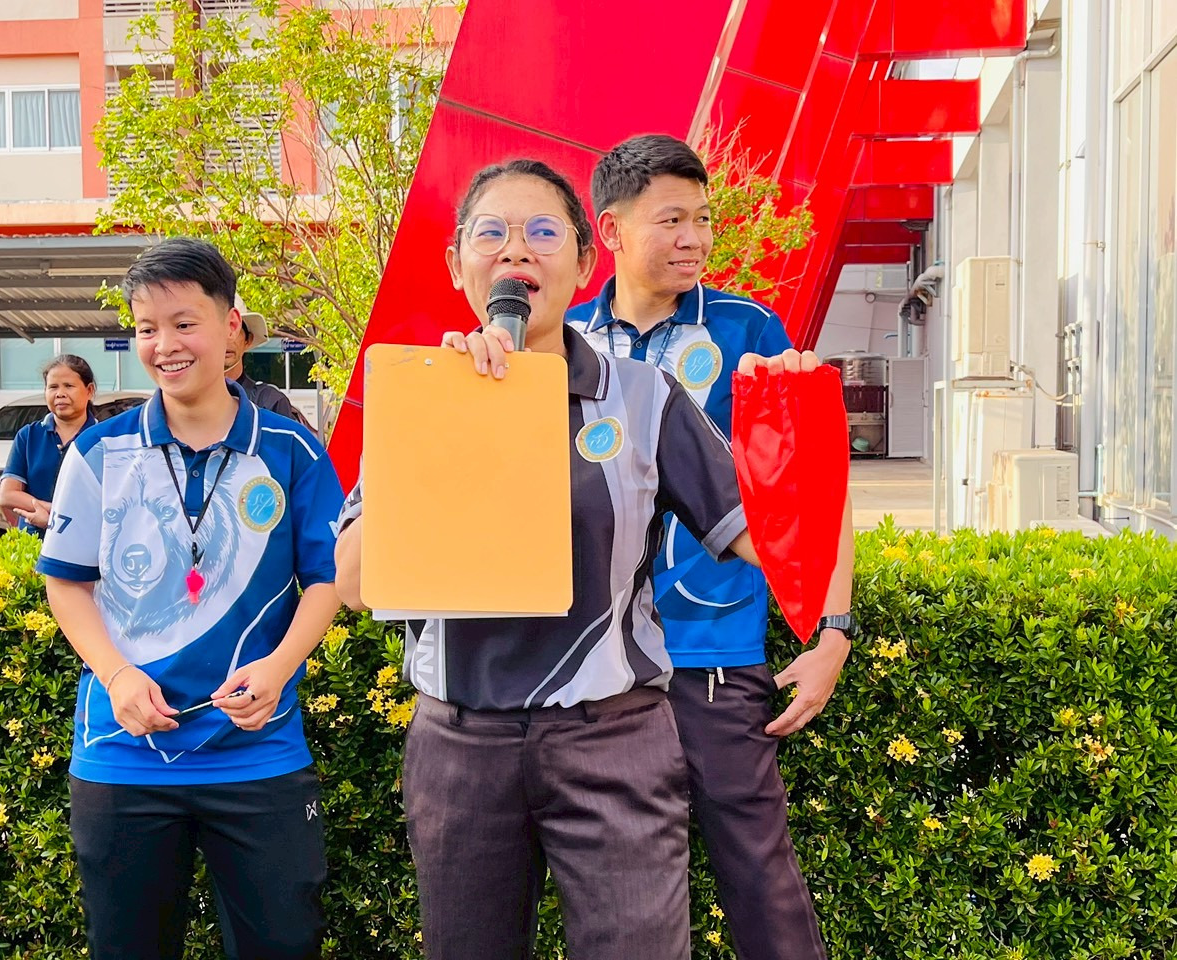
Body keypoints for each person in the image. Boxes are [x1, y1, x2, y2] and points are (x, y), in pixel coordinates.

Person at [335, 159, 852, 960]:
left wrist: (795, 420)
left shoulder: (645, 396)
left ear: (583, 261)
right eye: (491, 233)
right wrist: (449, 426)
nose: (516, 250)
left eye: (543, 232)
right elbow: (355, 582)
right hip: (460, 747)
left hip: (613, 741)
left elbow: (779, 545)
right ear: (456, 264)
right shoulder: (423, 397)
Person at [559, 133, 853, 960]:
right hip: (593, 662)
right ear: (611, 230)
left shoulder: (749, 331)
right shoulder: (564, 339)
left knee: (757, 873)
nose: (694, 239)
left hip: (713, 653)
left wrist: (833, 632)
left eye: (703, 219)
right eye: (671, 220)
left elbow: (817, 492)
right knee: (615, 886)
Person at [40, 237, 344, 960]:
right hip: (123, 755)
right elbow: (66, 582)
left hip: (259, 754)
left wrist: (279, 668)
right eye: (147, 329)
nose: (165, 345)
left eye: (184, 323)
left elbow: (328, 579)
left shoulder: (292, 449)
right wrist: (117, 675)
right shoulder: (98, 452)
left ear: (230, 325)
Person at [0, 354, 98, 535]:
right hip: (34, 542)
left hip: (85, 539)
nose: (60, 393)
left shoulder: (103, 438)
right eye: (53, 387)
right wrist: (51, 511)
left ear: (89, 390)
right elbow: (7, 495)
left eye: (68, 386)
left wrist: (56, 518)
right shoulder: (29, 436)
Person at [224, 295, 315, 433]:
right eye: (220, 331)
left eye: (234, 330)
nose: (228, 339)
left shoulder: (271, 402)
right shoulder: (189, 401)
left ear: (248, 340)